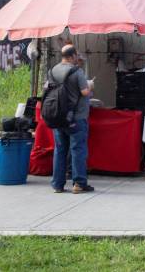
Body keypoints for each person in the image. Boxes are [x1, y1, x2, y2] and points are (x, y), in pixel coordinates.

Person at [49, 44, 94, 194]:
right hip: (77, 117)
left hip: (58, 117)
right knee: (77, 150)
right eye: (76, 56)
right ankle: (79, 183)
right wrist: (90, 85)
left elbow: (47, 88)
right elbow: (85, 91)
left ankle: (57, 185)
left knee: (60, 150)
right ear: (73, 56)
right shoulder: (77, 71)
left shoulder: (53, 70)